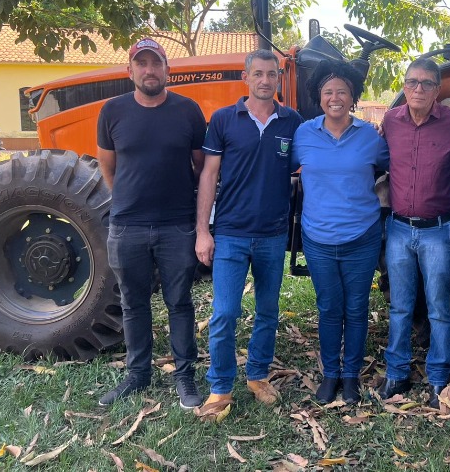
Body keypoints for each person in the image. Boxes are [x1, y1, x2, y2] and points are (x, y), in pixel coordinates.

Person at [96, 38, 207, 409]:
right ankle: (137, 374)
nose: (149, 70)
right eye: (141, 64)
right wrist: (128, 199)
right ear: (130, 71)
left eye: (155, 63)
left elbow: (199, 166)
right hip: (127, 226)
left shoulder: (188, 111)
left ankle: (184, 376)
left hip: (177, 226)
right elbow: (107, 166)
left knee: (180, 302)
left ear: (167, 70)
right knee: (133, 303)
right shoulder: (112, 112)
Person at [193, 49, 302, 420]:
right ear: (246, 78)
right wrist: (202, 231)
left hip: (273, 234)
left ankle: (257, 376)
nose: (265, 80)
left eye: (271, 74)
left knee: (267, 312)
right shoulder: (224, 120)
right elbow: (208, 176)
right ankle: (220, 386)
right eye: (258, 74)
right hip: (231, 233)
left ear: (278, 79)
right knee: (225, 313)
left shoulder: (292, 121)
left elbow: (306, 168)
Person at [291, 59, 389, 405]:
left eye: (342, 92)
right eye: (328, 92)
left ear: (353, 97)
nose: (335, 97)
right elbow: (283, 171)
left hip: (361, 237)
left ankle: (351, 376)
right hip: (318, 239)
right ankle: (330, 373)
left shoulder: (369, 137)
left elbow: (393, 167)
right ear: (320, 97)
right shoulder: (304, 134)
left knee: (357, 307)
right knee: (330, 307)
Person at [379, 58, 450, 408]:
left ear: (437, 90)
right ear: (404, 86)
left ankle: (438, 378)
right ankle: (397, 373)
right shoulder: (390, 121)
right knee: (400, 307)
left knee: (438, 308)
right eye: (412, 82)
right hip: (399, 229)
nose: (418, 89)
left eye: (427, 83)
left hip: (438, 231)